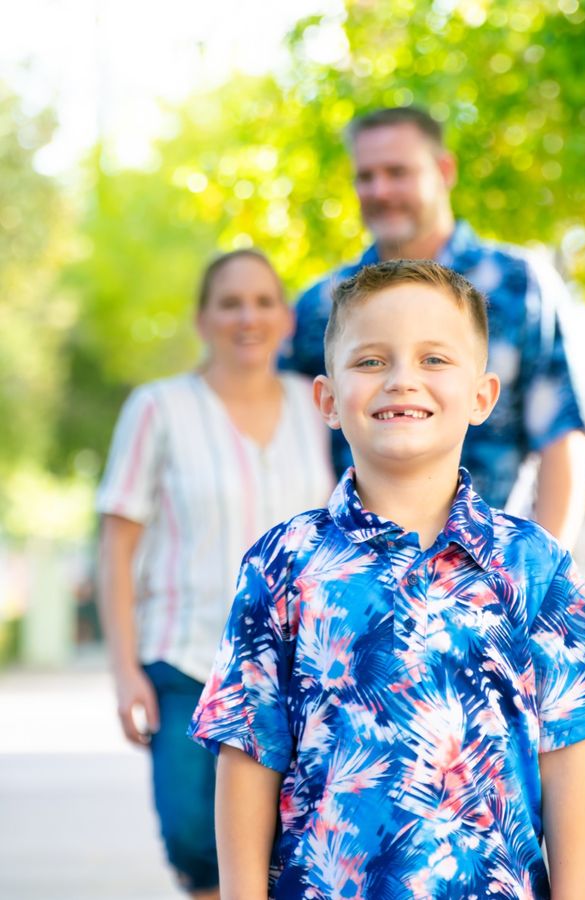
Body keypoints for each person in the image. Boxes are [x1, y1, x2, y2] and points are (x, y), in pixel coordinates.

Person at [189, 260, 585, 899]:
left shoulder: (536, 568)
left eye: (435, 360)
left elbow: (571, 758)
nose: (403, 380)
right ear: (326, 399)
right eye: (371, 361)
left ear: (483, 397)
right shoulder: (283, 563)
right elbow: (247, 756)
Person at [97, 249, 334, 899]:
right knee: (193, 839)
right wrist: (125, 674)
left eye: (263, 301)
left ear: (287, 319)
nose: (247, 317)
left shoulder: (318, 407)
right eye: (229, 303)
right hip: (183, 661)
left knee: (285, 844)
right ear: (203, 319)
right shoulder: (158, 408)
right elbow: (116, 546)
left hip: (297, 667)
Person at [282, 105, 585, 550]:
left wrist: (542, 576)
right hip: (352, 580)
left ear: (444, 170)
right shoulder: (322, 303)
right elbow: (282, 435)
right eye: (366, 176)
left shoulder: (516, 284)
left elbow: (564, 432)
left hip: (492, 578)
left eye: (398, 172)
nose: (380, 190)